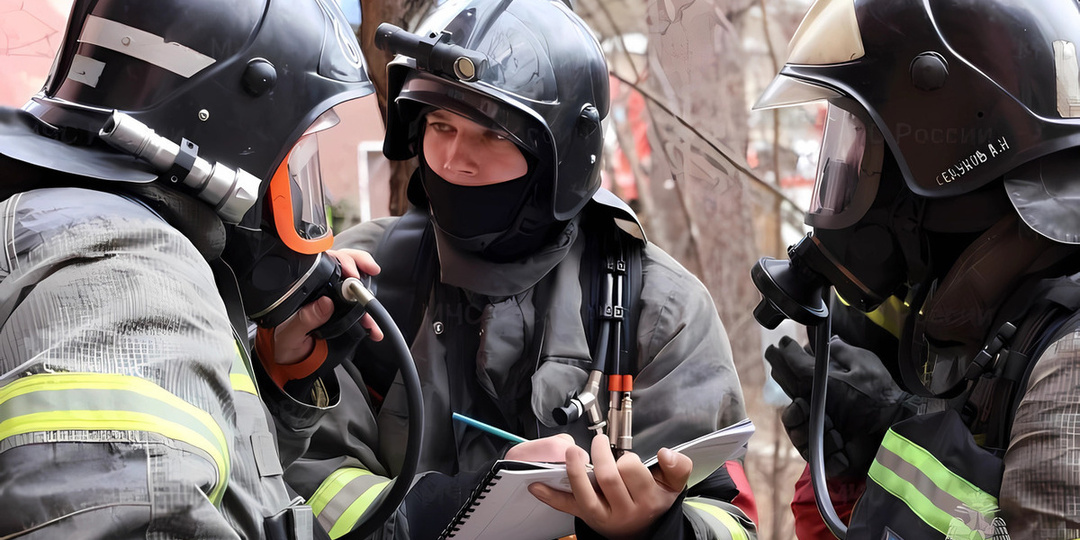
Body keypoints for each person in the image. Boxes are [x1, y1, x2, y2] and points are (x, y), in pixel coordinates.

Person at [263, 0, 759, 538]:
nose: (453, 160)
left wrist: (658, 530)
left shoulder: (660, 308)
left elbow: (729, 517)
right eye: (440, 125)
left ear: (559, 156)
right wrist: (442, 511)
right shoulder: (363, 282)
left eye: (493, 135)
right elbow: (297, 480)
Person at [0, 0, 378, 538]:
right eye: (294, 157)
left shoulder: (73, 223)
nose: (300, 187)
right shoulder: (133, 274)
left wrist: (273, 382)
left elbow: (202, 487)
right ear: (231, 135)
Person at [752, 0, 1080, 537]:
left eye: (864, 143)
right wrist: (865, 463)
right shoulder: (963, 311)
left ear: (952, 149)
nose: (847, 170)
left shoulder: (1070, 360)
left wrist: (896, 432)